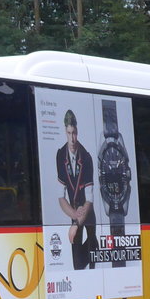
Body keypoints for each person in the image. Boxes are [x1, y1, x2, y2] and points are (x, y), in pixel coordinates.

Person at [56, 109, 98, 270]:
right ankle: (94, 245)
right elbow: (61, 196)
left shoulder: (86, 158)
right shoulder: (60, 155)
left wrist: (76, 223)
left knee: (92, 259)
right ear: (65, 132)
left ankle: (94, 244)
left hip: (88, 214)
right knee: (77, 264)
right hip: (74, 212)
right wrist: (74, 217)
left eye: (74, 133)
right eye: (69, 133)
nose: (72, 138)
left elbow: (89, 199)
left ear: (77, 131)